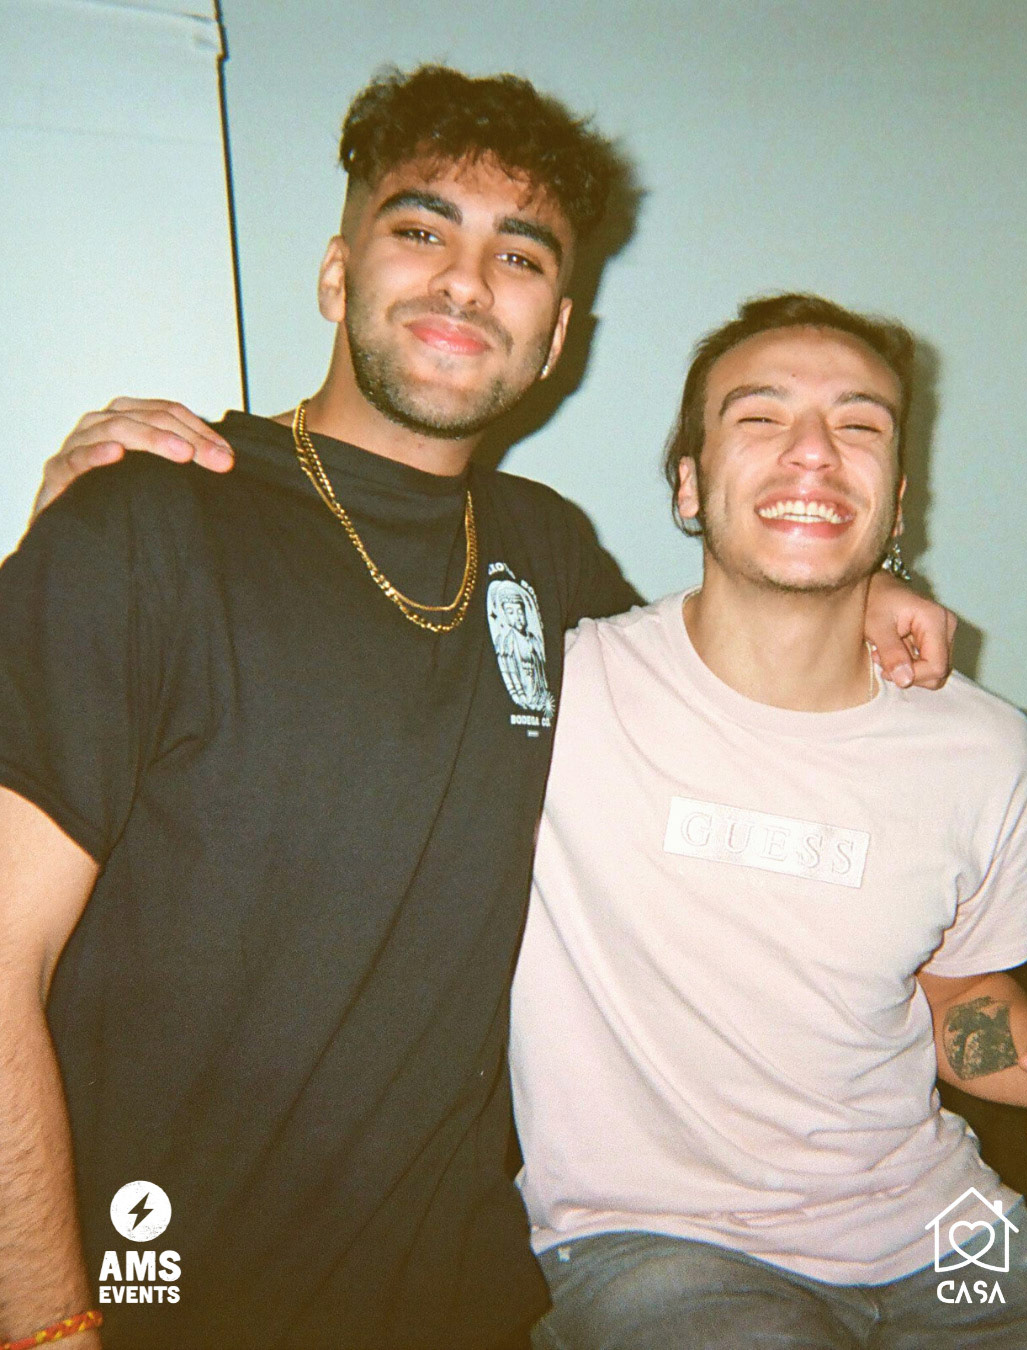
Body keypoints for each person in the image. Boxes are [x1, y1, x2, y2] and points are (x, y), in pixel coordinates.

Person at [0, 65, 952, 1350]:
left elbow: (733, 666)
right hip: (162, 1295)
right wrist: (50, 1327)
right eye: (422, 229)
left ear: (556, 336)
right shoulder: (146, 523)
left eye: (518, 255)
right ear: (338, 274)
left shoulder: (546, 551)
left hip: (467, 1300)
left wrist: (869, 581)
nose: (464, 281)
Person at [510, 293, 1027, 1349]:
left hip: (944, 1234)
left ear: (896, 502)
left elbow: (961, 1003)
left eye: (859, 424)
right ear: (689, 483)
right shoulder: (561, 691)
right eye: (762, 417)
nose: (814, 452)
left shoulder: (984, 745)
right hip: (660, 1247)